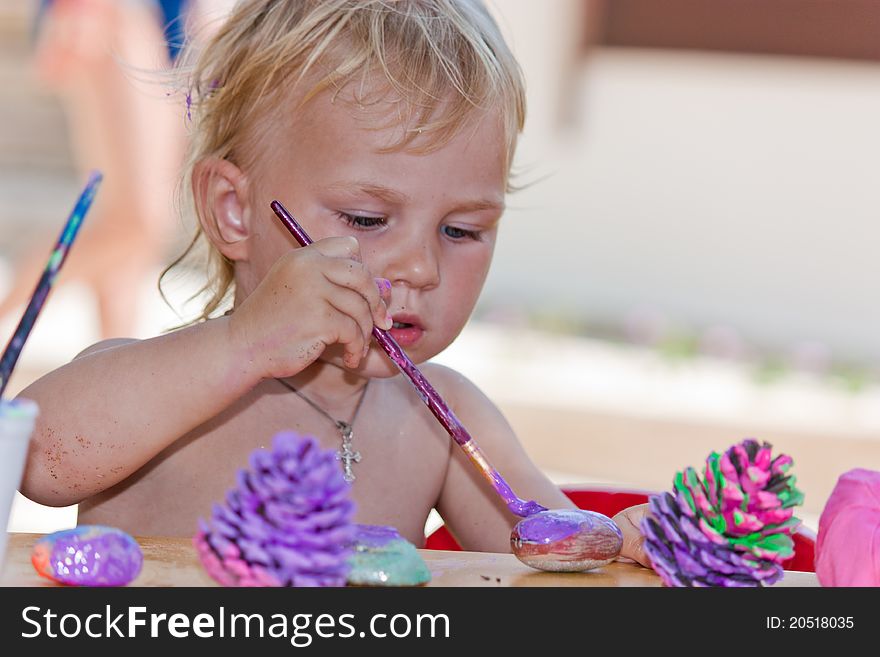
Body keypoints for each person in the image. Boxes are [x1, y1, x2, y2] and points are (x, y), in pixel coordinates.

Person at [17, 0, 651, 565]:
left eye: (461, 231)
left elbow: (552, 545)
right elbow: (40, 459)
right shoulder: (161, 390)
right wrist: (242, 345)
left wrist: (623, 543)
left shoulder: (447, 424)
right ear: (236, 211)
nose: (420, 269)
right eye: (367, 219)